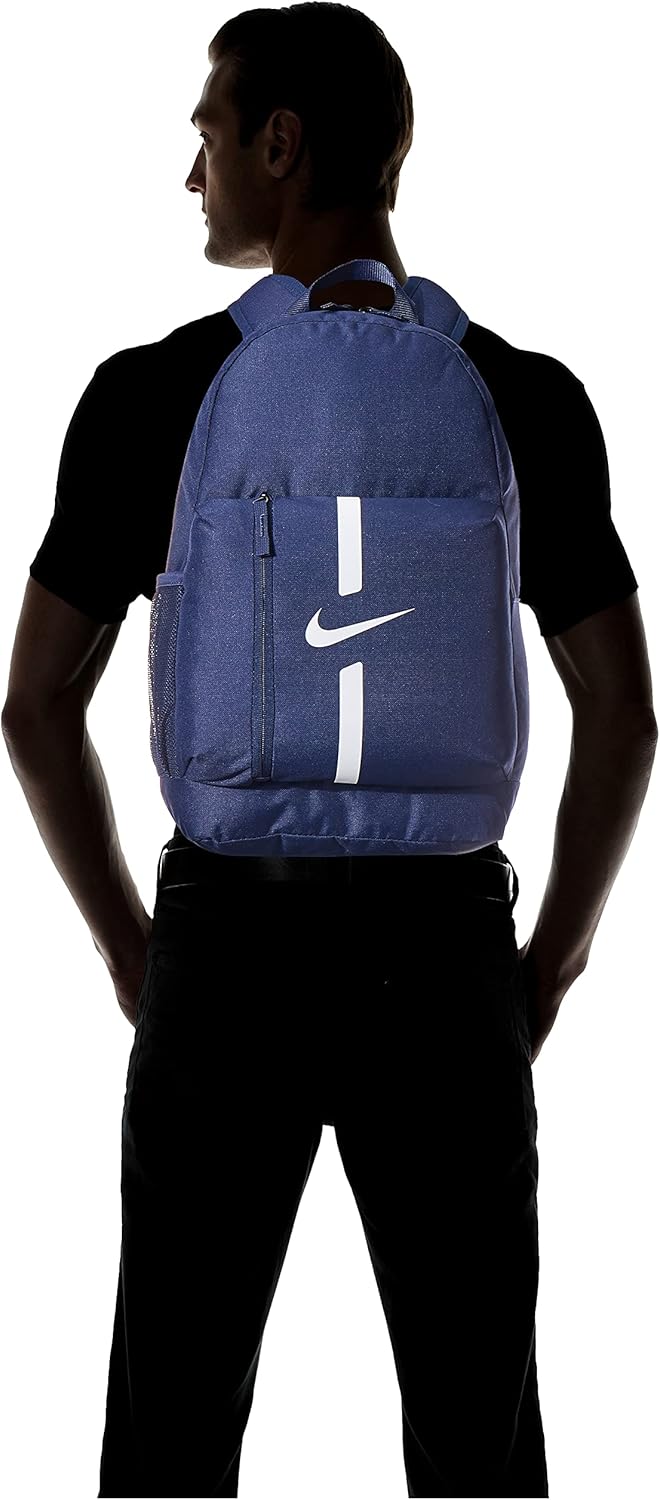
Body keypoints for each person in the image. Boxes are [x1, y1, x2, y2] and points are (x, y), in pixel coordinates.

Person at [2, 6, 656, 1497]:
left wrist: (136, 954)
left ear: (282, 146)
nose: (194, 175)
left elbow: (34, 704)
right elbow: (624, 714)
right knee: (478, 1423)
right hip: (444, 949)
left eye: (209, 135)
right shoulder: (525, 395)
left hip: (227, 940)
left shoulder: (153, 393)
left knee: (171, 1419)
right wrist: (545, 967)